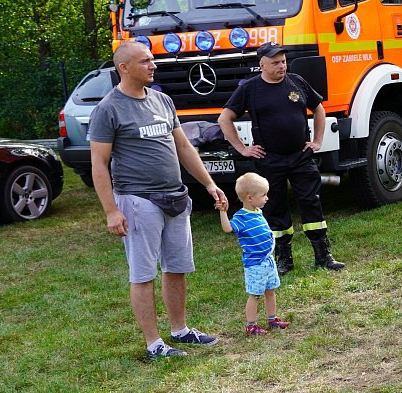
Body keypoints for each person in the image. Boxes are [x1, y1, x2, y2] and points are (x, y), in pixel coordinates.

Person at [90, 40, 228, 360]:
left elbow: (183, 148)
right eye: (145, 61)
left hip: (176, 197)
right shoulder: (109, 109)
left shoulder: (163, 101)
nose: (153, 66)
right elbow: (99, 163)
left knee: (176, 267)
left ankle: (179, 329)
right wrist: (111, 210)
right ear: (124, 68)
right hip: (138, 201)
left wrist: (208, 184)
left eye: (152, 60)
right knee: (143, 274)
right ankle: (154, 344)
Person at [218, 42, 345, 274]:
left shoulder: (297, 81)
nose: (281, 66)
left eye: (283, 61)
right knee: (274, 209)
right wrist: (242, 148)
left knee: (311, 203)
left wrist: (317, 141)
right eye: (275, 62)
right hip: (270, 160)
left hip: (301, 157)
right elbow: (224, 119)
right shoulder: (250, 89)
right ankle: (284, 259)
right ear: (262, 65)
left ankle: (323, 255)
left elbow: (319, 109)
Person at [219, 172, 290, 336]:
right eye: (263, 195)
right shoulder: (241, 217)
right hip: (255, 264)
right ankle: (251, 325)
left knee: (270, 290)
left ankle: (272, 319)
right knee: (255, 295)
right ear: (249, 198)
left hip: (268, 261)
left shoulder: (258, 211)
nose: (267, 198)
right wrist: (223, 212)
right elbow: (228, 228)